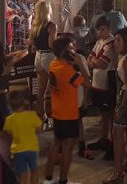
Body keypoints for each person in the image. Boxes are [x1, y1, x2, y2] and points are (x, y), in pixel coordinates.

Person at [45, 36, 91, 184]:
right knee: (67, 149)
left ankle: (48, 177)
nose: (74, 51)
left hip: (57, 112)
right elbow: (87, 83)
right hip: (68, 115)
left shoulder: (54, 64)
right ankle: (63, 180)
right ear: (65, 51)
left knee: (56, 143)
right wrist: (80, 64)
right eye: (71, 48)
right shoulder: (67, 71)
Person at [104, 28, 127, 184]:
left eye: (118, 40)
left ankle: (118, 172)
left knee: (117, 134)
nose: (115, 43)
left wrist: (122, 107)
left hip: (126, 98)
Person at [87, 15, 118, 159]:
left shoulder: (112, 43)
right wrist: (94, 61)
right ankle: (104, 139)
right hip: (97, 84)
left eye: (102, 29)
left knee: (110, 115)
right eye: (98, 30)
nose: (100, 32)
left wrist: (94, 61)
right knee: (103, 114)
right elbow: (89, 59)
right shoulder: (99, 42)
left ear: (109, 28)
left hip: (106, 84)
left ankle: (113, 143)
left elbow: (102, 64)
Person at [27, 0, 57, 128]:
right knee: (56, 88)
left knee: (41, 91)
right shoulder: (51, 26)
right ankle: (58, 117)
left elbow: (30, 42)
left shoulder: (35, 26)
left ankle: (43, 119)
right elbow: (51, 44)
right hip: (49, 57)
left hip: (38, 57)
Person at [4, 90, 42, 184]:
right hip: (32, 148)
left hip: (18, 150)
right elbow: (39, 130)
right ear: (23, 101)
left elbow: (8, 133)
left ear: (9, 105)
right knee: (34, 171)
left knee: (22, 174)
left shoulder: (9, 119)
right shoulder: (32, 115)